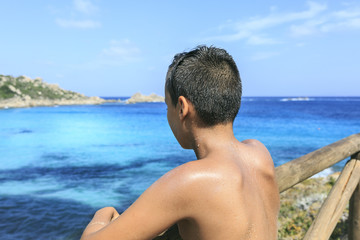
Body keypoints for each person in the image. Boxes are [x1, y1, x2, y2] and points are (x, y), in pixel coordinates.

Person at [81, 46, 280, 240]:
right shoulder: (259, 152)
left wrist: (103, 214)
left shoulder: (189, 180)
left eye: (168, 105)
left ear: (182, 108)